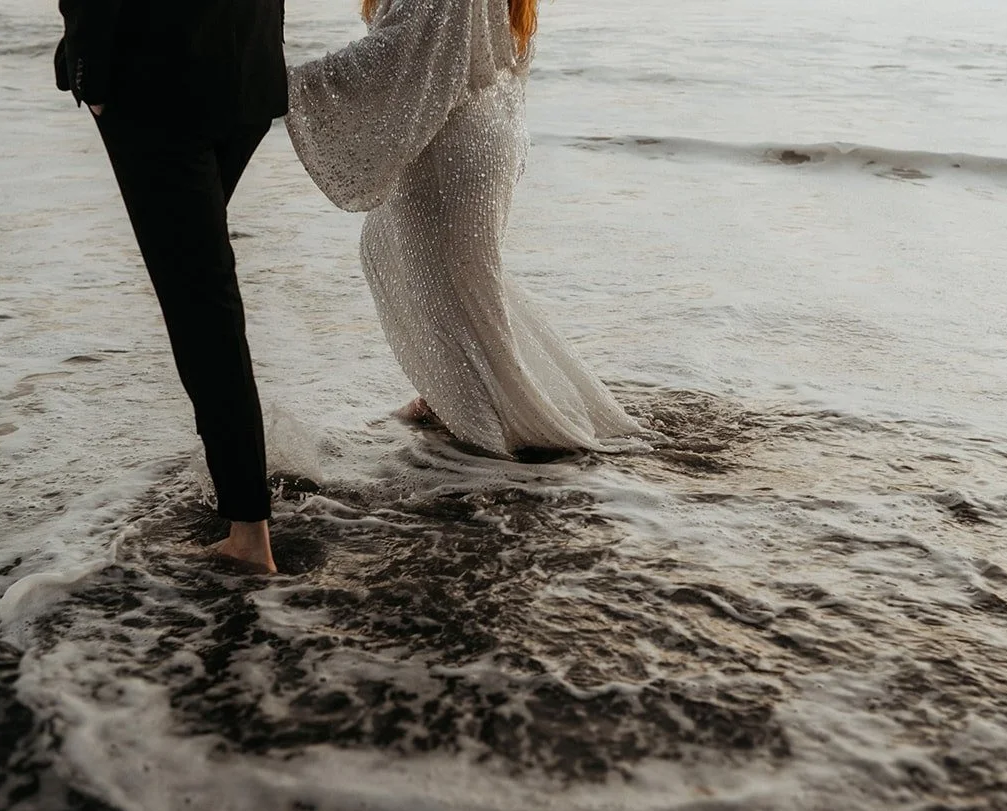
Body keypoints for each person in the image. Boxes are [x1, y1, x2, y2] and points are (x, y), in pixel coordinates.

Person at [286, 0, 642, 457]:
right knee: (447, 282)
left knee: (450, 290)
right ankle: (452, 404)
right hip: (480, 131)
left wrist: (284, 84)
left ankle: (485, 447)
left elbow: (397, 54)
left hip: (453, 145)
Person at [54, 0, 287, 574]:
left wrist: (94, 78)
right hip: (243, 72)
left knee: (200, 299)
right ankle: (242, 506)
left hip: (153, 86)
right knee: (201, 285)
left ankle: (248, 533)